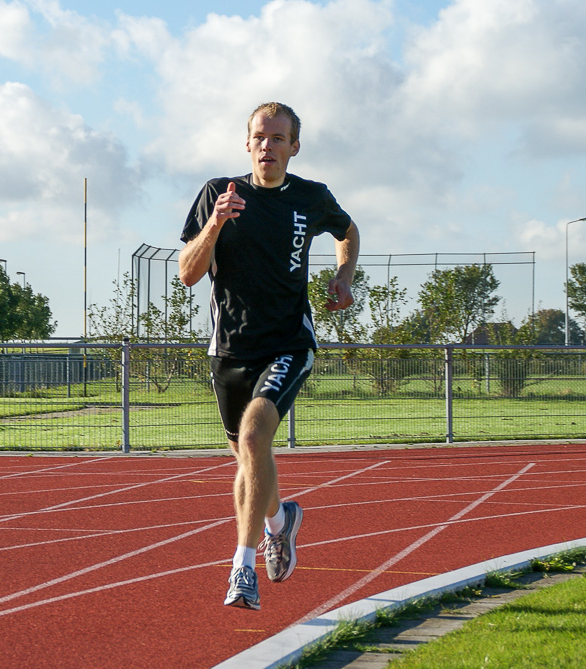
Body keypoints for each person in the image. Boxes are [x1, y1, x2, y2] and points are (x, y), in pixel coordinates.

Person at [178, 102, 360, 610]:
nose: (268, 146)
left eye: (278, 139)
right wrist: (214, 225)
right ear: (247, 142)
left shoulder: (310, 197)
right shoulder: (219, 193)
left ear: (293, 147)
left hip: (288, 342)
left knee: (257, 436)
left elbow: (348, 231)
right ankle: (281, 522)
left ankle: (242, 570)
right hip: (230, 348)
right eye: (260, 136)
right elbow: (188, 274)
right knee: (248, 459)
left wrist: (343, 276)